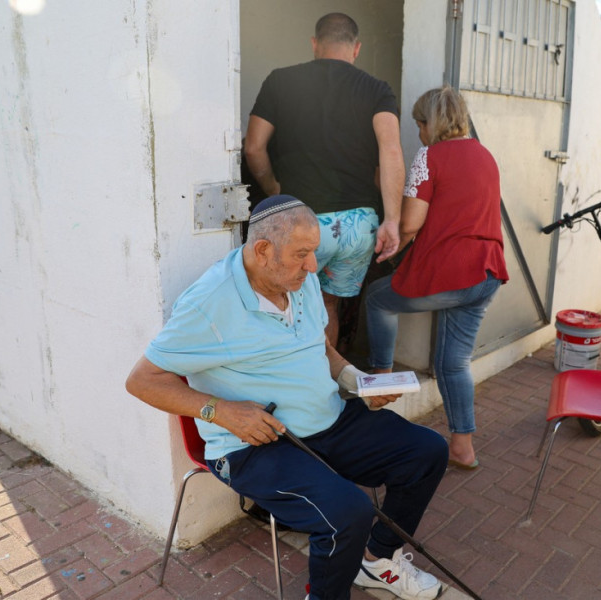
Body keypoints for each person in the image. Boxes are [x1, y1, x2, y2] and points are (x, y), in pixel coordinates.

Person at [125, 195, 447, 600]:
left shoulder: (299, 278)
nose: (313, 266)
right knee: (348, 512)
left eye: (313, 252)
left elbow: (318, 346)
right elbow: (142, 381)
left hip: (329, 420)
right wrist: (220, 411)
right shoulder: (209, 303)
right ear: (263, 251)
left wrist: (354, 378)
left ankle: (378, 561)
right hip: (254, 446)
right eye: (302, 255)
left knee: (426, 451)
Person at [365, 87, 509, 471]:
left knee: (378, 298)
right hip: (487, 274)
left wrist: (391, 242)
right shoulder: (485, 155)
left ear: (433, 123)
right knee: (453, 362)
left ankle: (381, 378)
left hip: (451, 274)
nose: (419, 134)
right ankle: (463, 446)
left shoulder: (430, 156)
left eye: (419, 124)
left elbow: (410, 222)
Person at [244, 12, 405, 348]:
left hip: (300, 222)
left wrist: (274, 190)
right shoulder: (377, 90)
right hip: (357, 226)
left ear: (315, 43)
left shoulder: (280, 81)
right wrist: (392, 220)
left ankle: (289, 388)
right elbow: (391, 152)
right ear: (356, 48)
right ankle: (326, 386)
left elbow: (254, 147)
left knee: (281, 306)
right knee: (328, 305)